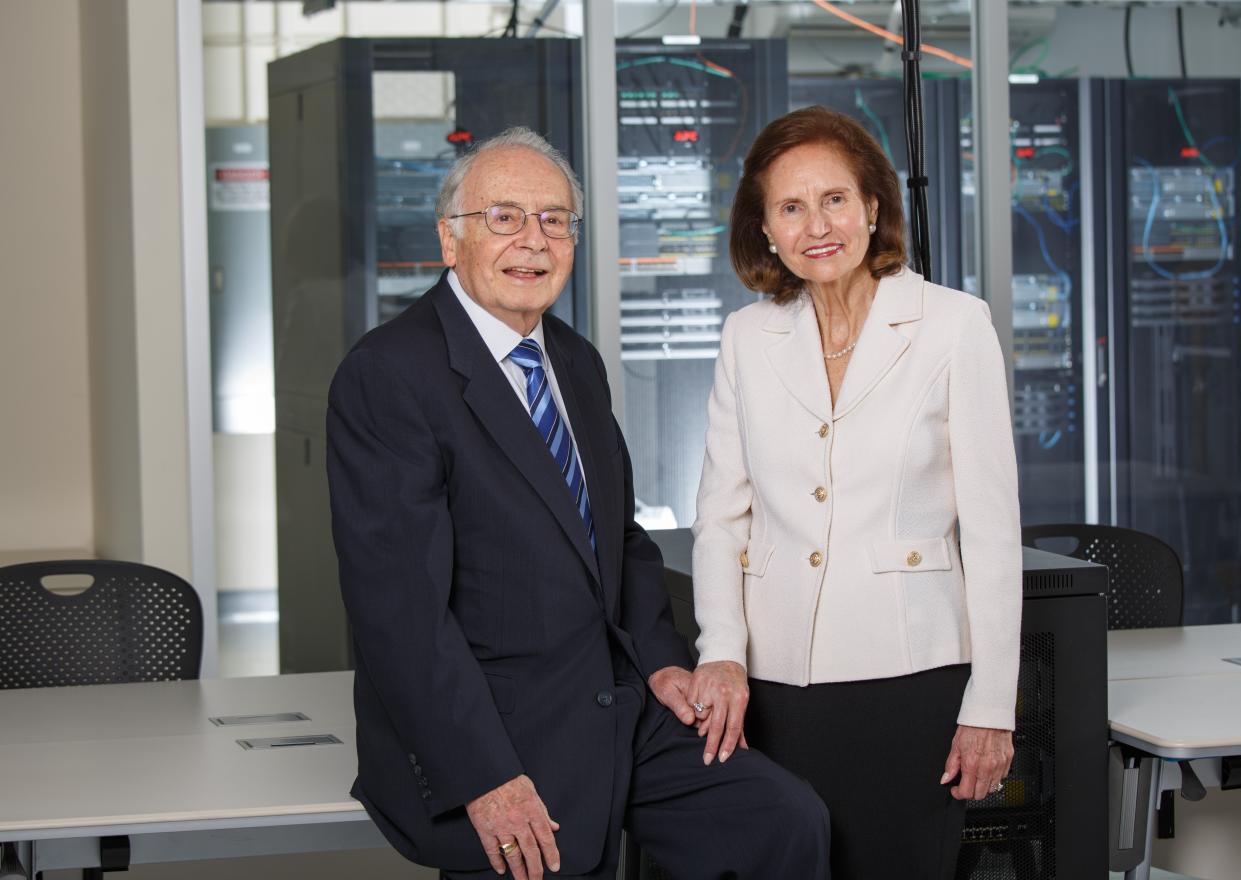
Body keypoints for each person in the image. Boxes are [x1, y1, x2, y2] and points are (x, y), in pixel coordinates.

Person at [326, 126, 829, 880]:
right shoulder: (391, 375)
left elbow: (619, 538)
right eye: (504, 217)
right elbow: (401, 618)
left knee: (783, 821)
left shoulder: (572, 360)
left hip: (617, 705)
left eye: (554, 220)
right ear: (449, 240)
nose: (533, 241)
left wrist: (662, 664)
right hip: (498, 733)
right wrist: (484, 778)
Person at [687, 106, 1023, 879]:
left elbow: (994, 533)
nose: (817, 226)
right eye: (791, 208)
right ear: (764, 229)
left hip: (911, 679)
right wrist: (722, 654)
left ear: (874, 206)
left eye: (834, 199)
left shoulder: (953, 327)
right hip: (772, 687)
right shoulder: (747, 336)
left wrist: (992, 706)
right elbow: (718, 520)